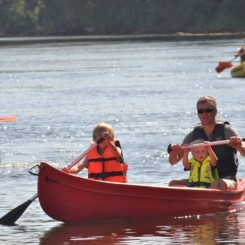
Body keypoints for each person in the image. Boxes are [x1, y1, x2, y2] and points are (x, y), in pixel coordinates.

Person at [168, 95, 245, 190]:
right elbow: (173, 161)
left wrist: (238, 146)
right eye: (200, 111)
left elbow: (244, 151)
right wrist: (174, 153)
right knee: (173, 184)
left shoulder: (227, 130)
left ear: (215, 112)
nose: (204, 114)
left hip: (225, 179)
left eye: (208, 110)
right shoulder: (193, 134)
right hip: (202, 182)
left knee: (216, 185)